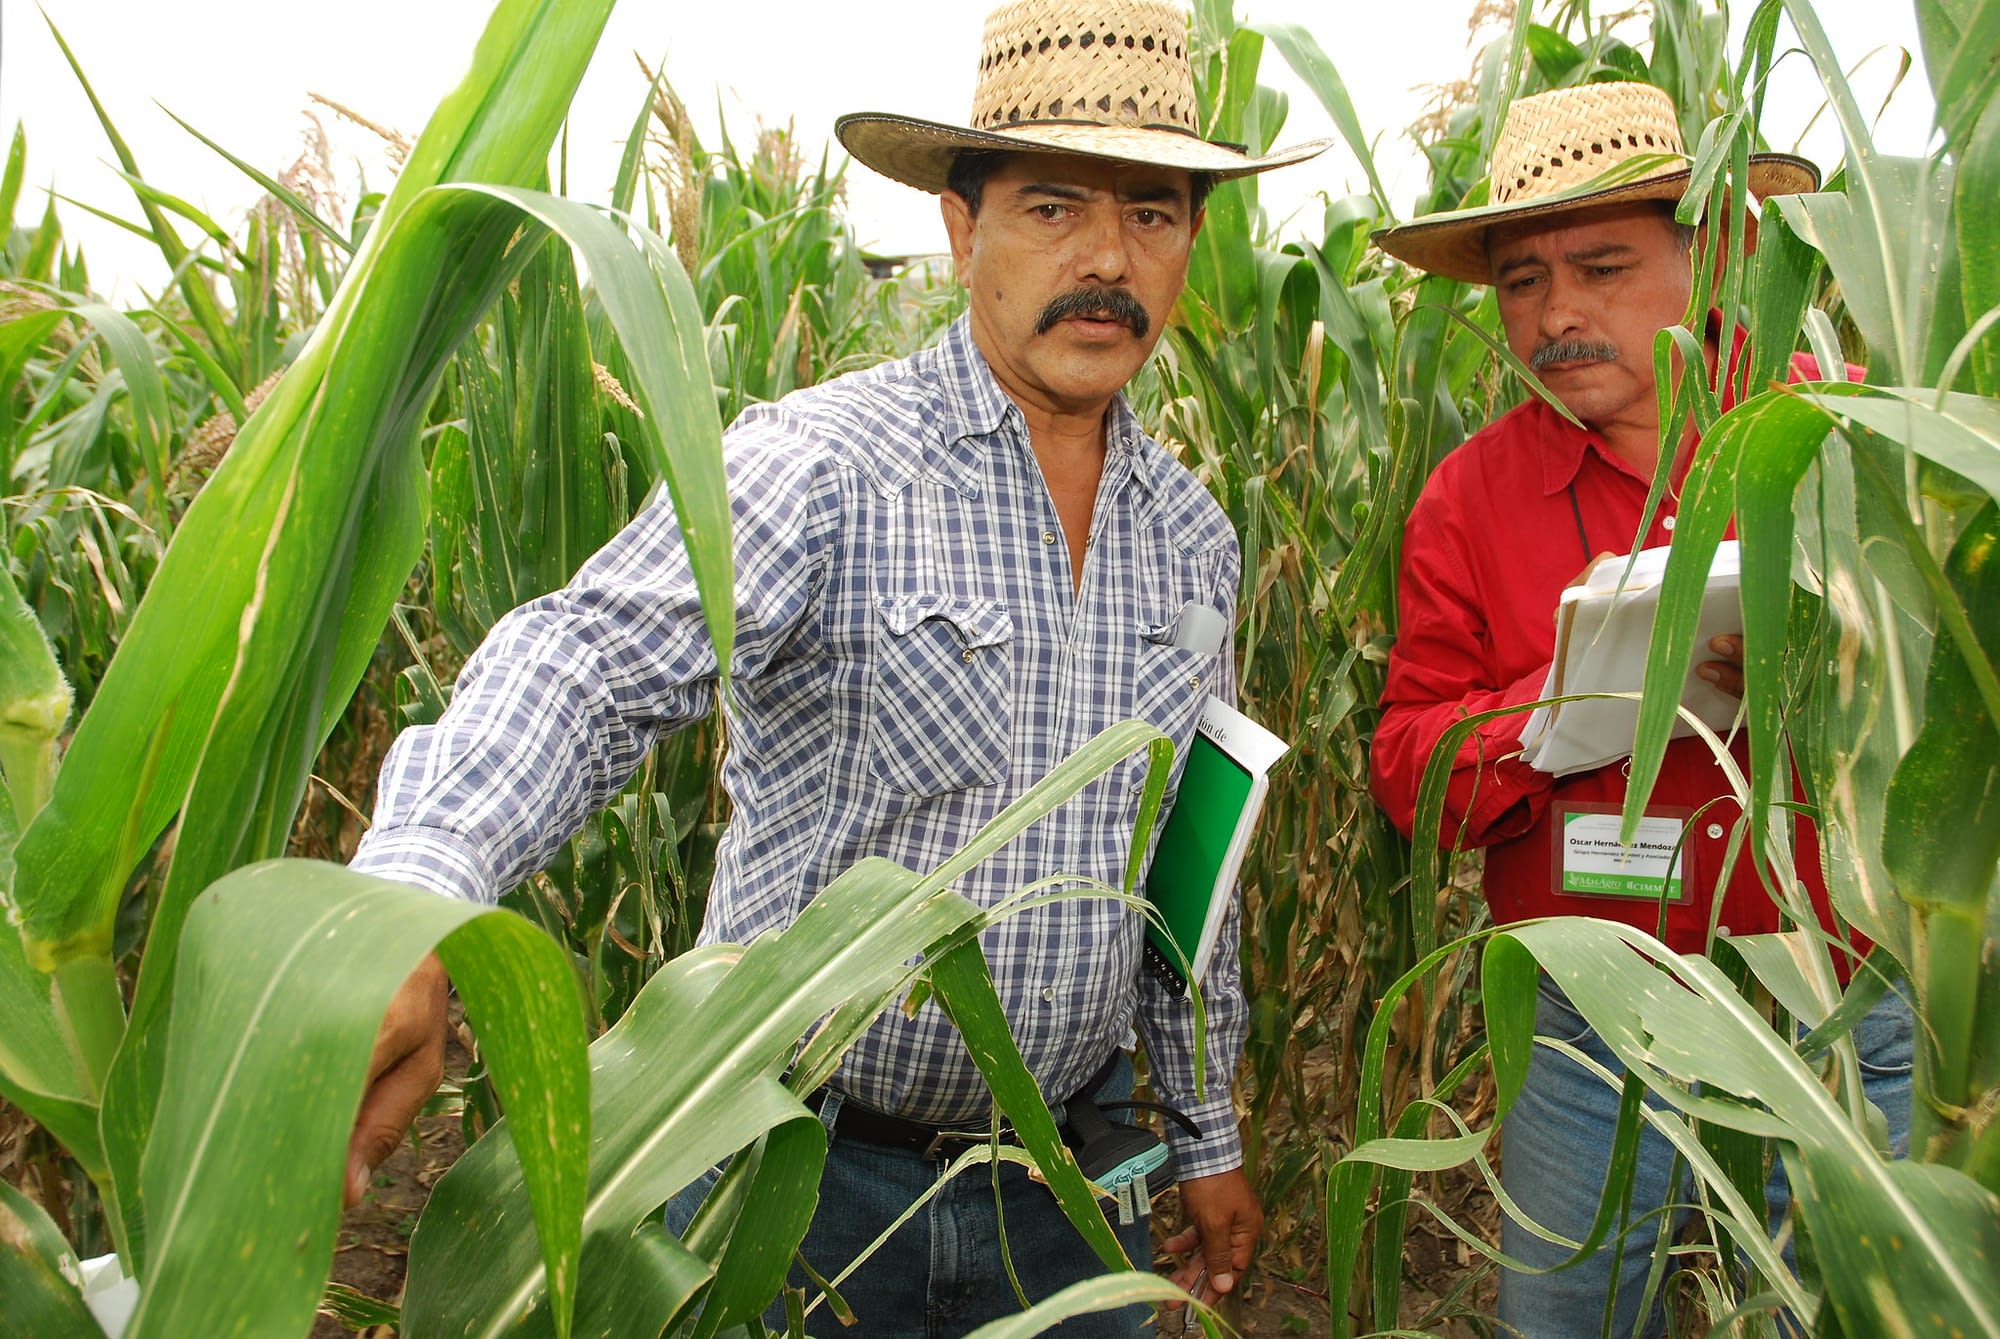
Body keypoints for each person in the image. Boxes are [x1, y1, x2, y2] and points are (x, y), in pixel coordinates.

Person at [341, 2, 1327, 1334]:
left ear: (1192, 242)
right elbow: (585, 663)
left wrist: (1203, 1133)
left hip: (1068, 1191)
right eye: (1051, 206)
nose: (1108, 255)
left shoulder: (1193, 539)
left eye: (1153, 212)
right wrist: (410, 902)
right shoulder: (824, 466)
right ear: (961, 227)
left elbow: (1174, 875)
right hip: (799, 1179)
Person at [1368, 82, 1912, 1337]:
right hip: (1586, 1010)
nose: (1556, 314)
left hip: (1826, 997)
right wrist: (1569, 704)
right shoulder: (1468, 498)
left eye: (1601, 266)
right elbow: (1409, 763)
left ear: (1710, 252)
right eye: (1520, 281)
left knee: (1833, 1315)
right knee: (1564, 1317)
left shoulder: (1840, 426)